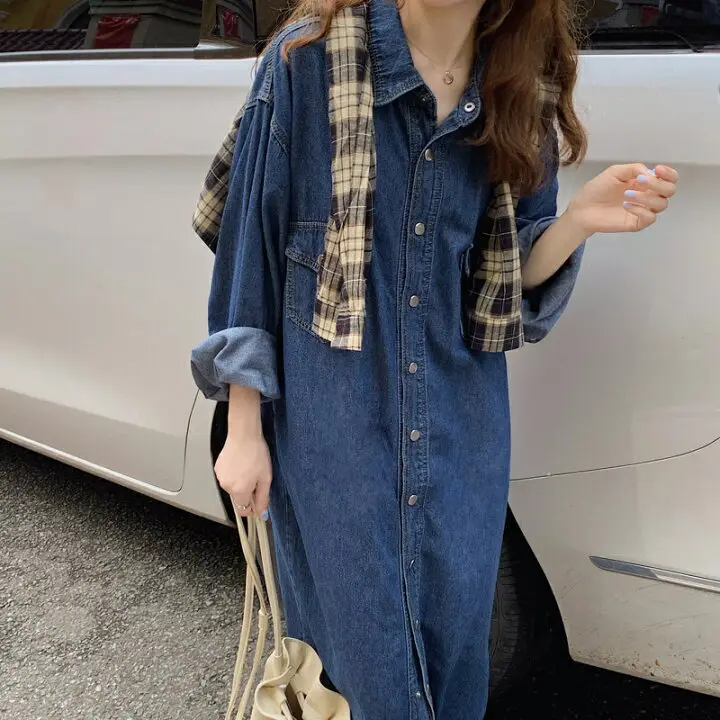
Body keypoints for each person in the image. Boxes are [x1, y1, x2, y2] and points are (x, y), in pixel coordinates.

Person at [190, 0, 678, 717]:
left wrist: (577, 222)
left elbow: (501, 278)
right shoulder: (307, 60)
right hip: (333, 436)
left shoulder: (518, 76)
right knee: (356, 668)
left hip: (463, 429)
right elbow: (250, 246)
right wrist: (243, 428)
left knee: (454, 658)